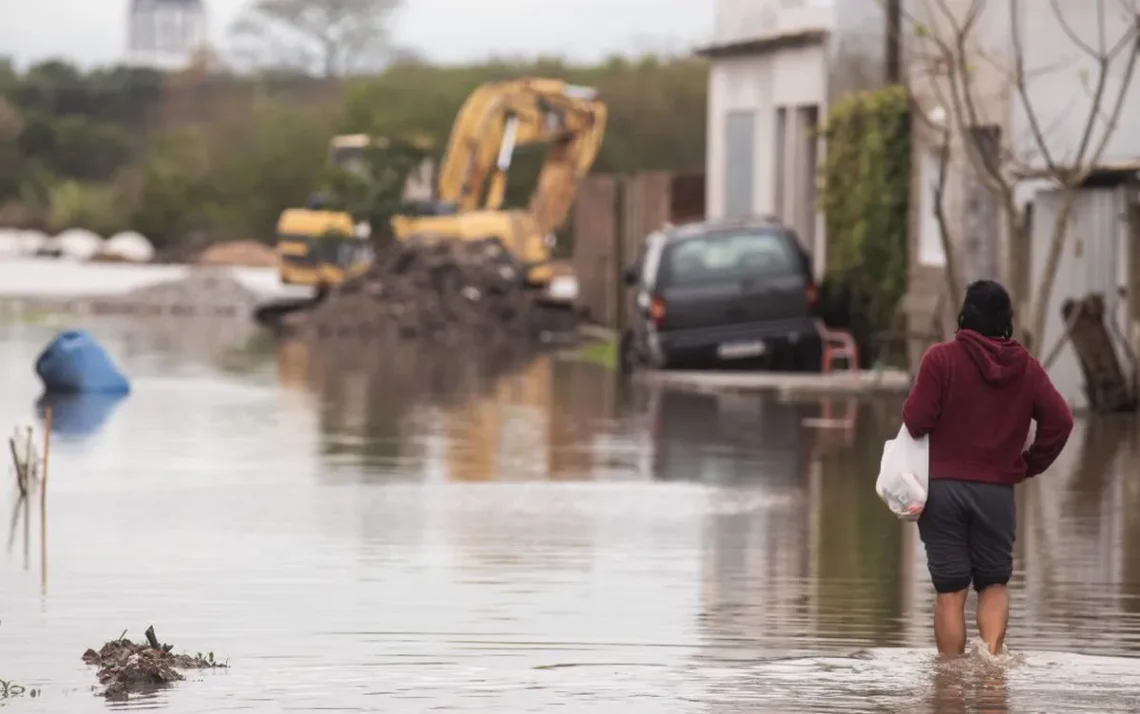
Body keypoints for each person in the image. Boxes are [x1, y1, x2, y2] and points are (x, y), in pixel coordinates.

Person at [902, 279, 1073, 656]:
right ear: (1006, 322)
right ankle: (993, 668)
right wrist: (1030, 464)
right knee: (993, 583)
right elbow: (1061, 421)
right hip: (996, 493)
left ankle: (949, 683)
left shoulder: (940, 359)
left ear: (965, 316)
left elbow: (916, 421)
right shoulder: (1026, 368)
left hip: (942, 491)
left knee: (950, 590)